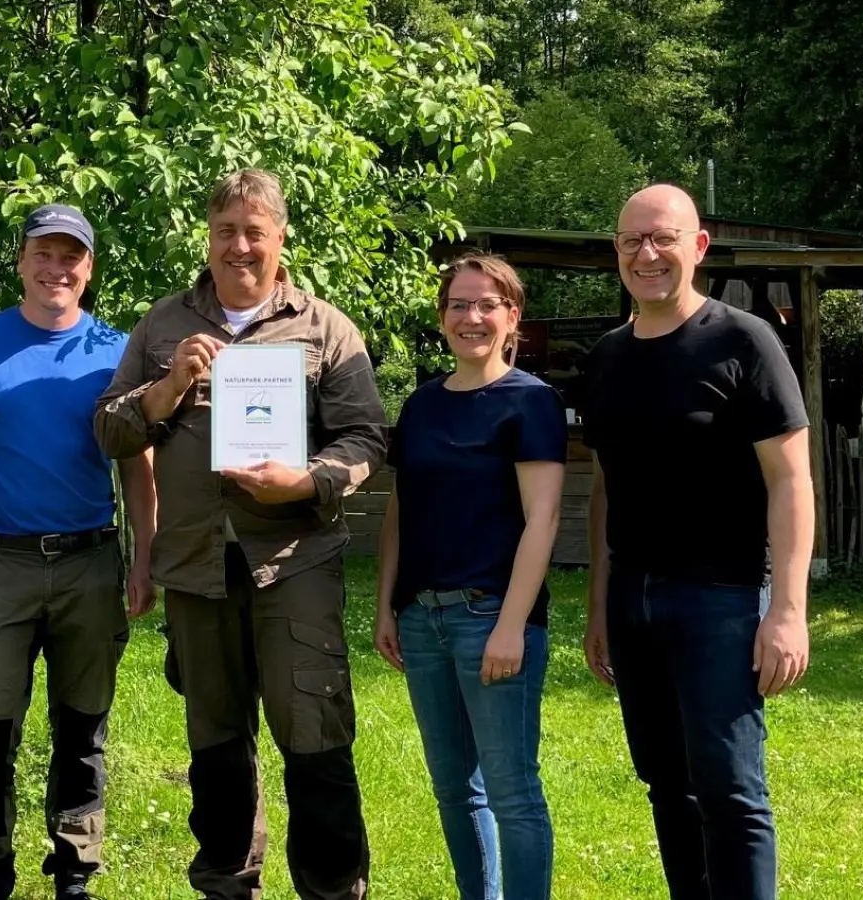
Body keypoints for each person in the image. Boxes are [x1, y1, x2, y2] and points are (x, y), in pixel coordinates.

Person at [95, 168, 385, 900]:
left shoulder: (325, 326)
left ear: (281, 237)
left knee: (315, 735)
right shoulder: (163, 324)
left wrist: (306, 479)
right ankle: (226, 885)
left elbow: (365, 440)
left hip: (294, 559)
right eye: (226, 230)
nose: (240, 246)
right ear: (208, 236)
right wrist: (163, 392)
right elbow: (109, 430)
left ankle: (331, 887)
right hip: (196, 567)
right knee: (216, 747)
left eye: (255, 231)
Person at [583, 184, 814, 900]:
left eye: (663, 239)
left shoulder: (743, 340)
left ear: (698, 246)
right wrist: (599, 606)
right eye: (632, 242)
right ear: (617, 252)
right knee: (665, 784)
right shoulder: (607, 356)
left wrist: (788, 610)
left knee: (730, 791)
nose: (647, 254)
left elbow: (792, 480)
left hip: (722, 597)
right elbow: (602, 488)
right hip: (633, 599)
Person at [0, 204, 156, 900]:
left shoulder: (118, 351)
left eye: (72, 257)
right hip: (0, 564)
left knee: (82, 730)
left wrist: (144, 553)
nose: (57, 269)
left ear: (88, 269)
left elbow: (137, 465)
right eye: (44, 254)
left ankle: (75, 872)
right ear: (22, 261)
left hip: (90, 563)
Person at [372, 252, 565, 900]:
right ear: (442, 317)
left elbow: (542, 519)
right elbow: (403, 505)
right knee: (454, 789)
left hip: (491, 618)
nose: (471, 316)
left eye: (488, 305)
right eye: (458, 304)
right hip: (422, 620)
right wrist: (386, 605)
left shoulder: (531, 403)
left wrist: (512, 624)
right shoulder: (422, 406)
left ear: (512, 317)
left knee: (512, 793)